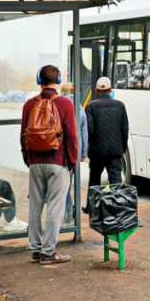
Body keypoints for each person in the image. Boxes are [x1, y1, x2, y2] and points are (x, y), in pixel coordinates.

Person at [20, 65, 78, 266]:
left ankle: (35, 250)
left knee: (34, 206)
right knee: (55, 207)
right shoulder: (65, 104)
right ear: (59, 80)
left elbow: (23, 136)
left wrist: (28, 159)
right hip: (58, 162)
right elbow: (71, 136)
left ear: (39, 81)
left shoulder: (29, 105)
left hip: (35, 163)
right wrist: (71, 162)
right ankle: (48, 252)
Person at [85, 77, 129, 187]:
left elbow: (89, 130)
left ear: (96, 90)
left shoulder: (91, 106)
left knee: (94, 181)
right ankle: (115, 203)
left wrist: (90, 148)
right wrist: (122, 148)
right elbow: (124, 129)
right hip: (115, 151)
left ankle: (94, 204)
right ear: (111, 90)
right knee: (116, 182)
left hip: (97, 151)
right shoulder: (120, 105)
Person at [60, 82, 88, 224]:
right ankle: (70, 211)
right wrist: (83, 153)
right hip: (76, 152)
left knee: (63, 185)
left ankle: (69, 212)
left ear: (63, 92)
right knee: (68, 183)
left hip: (64, 152)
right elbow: (84, 133)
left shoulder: (62, 106)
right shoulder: (80, 108)